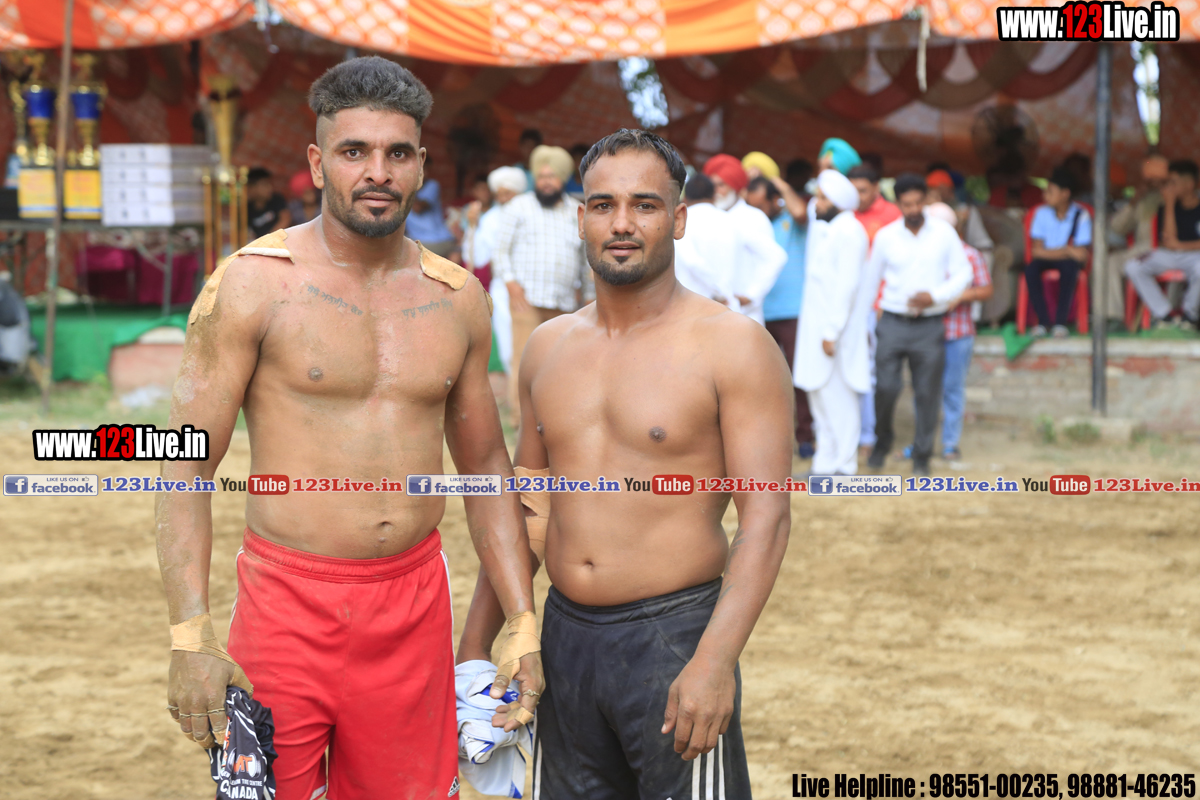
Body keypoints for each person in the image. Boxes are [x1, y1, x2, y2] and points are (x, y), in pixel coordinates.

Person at [155, 56, 543, 800]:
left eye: (397, 153)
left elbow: (487, 469)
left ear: (421, 165)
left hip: (413, 609)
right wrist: (189, 635)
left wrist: (522, 622)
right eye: (354, 151)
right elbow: (184, 465)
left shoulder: (457, 298)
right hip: (283, 608)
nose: (377, 172)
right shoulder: (253, 283)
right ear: (317, 162)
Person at [456, 127, 792, 800]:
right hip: (565, 640)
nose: (622, 224)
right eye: (604, 205)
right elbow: (528, 511)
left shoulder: (733, 347)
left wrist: (714, 660)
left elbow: (767, 519)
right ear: (580, 218)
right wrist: (473, 652)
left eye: (645, 205)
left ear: (679, 219)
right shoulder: (547, 348)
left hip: (675, 637)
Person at [865, 173, 973, 476]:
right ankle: (882, 441)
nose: (913, 209)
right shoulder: (886, 236)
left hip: (930, 324)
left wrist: (935, 296)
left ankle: (922, 457)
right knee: (885, 387)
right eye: (906, 204)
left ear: (925, 201)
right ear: (898, 204)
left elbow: (963, 273)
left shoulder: (943, 233)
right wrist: (865, 324)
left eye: (917, 203)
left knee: (927, 393)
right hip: (892, 321)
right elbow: (870, 283)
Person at [491, 144, 590, 423]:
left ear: (563, 178)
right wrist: (511, 285)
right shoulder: (518, 207)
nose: (546, 181)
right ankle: (520, 421)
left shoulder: (575, 211)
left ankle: (554, 421)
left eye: (552, 176)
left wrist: (588, 295)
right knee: (525, 361)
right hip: (526, 300)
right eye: (541, 176)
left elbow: (584, 260)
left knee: (559, 364)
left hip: (564, 303)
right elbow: (500, 251)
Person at [793, 169, 871, 476]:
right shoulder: (829, 230)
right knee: (820, 399)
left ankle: (845, 466)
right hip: (817, 330)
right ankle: (824, 465)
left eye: (823, 198)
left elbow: (846, 288)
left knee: (839, 399)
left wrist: (831, 332)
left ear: (838, 202)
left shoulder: (850, 232)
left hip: (835, 333)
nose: (817, 203)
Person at [744, 175, 816, 458]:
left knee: (800, 378)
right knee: (764, 381)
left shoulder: (792, 219)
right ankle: (769, 440)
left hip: (793, 311)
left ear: (777, 200)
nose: (756, 211)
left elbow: (800, 212)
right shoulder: (750, 224)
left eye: (761, 205)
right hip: (759, 312)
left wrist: (779, 181)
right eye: (752, 205)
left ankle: (806, 437)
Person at [924, 202, 993, 461]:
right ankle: (923, 444)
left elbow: (986, 289)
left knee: (952, 389)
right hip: (926, 333)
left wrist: (959, 295)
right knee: (924, 389)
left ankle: (949, 444)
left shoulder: (970, 255)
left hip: (958, 333)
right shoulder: (921, 255)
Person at [703, 153, 788, 324]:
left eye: (721, 185)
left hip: (746, 314)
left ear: (735, 187)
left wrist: (751, 295)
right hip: (709, 314)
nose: (716, 191)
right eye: (713, 186)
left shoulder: (754, 218)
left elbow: (774, 259)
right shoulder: (707, 218)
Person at [1125, 158, 1200, 330]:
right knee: (1133, 267)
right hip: (1169, 254)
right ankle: (1165, 315)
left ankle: (1190, 315)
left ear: (1189, 184)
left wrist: (1180, 246)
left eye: (1173, 183)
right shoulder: (1165, 207)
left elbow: (1175, 244)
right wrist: (1170, 204)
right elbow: (1168, 241)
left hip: (1195, 255)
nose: (1168, 187)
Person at [473, 166, 528, 383]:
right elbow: (478, 258)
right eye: (500, 194)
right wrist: (473, 227)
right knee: (506, 343)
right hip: (502, 287)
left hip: (531, 286)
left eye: (508, 193)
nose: (504, 199)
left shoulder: (531, 213)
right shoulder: (491, 219)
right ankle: (515, 392)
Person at [1026, 166, 1092, 337]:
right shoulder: (1040, 213)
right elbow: (1036, 252)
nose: (1045, 196)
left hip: (1065, 261)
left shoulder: (1081, 215)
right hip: (1053, 257)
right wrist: (1068, 250)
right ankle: (1043, 322)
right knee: (1031, 269)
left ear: (1065, 194)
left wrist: (1059, 252)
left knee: (1070, 268)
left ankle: (1060, 324)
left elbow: (1081, 255)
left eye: (1050, 191)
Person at [1108, 154, 1168, 327]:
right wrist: (1133, 202)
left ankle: (1166, 316)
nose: (1154, 183)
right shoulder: (1142, 201)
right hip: (1140, 250)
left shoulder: (1175, 197)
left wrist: (1167, 196)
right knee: (1111, 262)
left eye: (1158, 179)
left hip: (1166, 250)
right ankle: (1114, 317)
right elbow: (1117, 228)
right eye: (1150, 179)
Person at [675, 173, 739, 305]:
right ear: (714, 196)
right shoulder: (731, 220)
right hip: (728, 305)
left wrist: (720, 291)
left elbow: (692, 261)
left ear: (685, 198)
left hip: (692, 305)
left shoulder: (682, 221)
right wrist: (752, 294)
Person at [406, 171, 457, 258]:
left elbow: (417, 208)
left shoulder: (432, 185)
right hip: (420, 241)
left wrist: (407, 186)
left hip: (436, 241)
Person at [246, 167, 291, 239]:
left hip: (281, 240)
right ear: (252, 188)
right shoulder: (246, 209)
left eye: (270, 184)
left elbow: (285, 219)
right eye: (265, 185)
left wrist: (269, 239)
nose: (270, 188)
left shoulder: (276, 199)